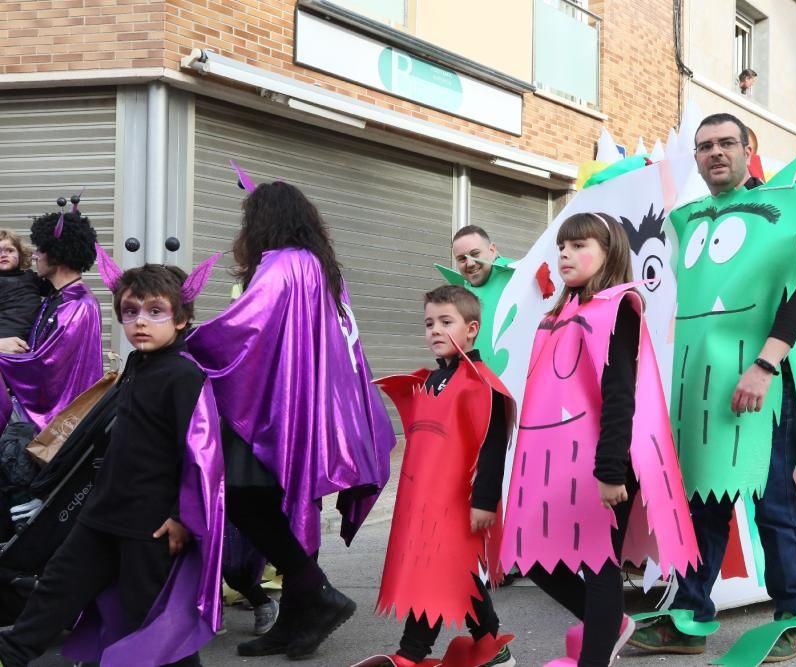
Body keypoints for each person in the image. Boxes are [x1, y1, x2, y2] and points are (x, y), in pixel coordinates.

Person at [631, 113, 796, 663]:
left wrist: (766, 365)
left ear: (749, 150)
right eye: (705, 146)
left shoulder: (782, 209)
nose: (715, 153)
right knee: (704, 498)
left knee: (772, 500)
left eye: (727, 143)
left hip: (767, 382)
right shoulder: (688, 219)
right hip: (703, 384)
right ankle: (692, 616)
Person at [185, 180, 395, 660]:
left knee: (243, 497)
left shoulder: (280, 266)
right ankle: (299, 621)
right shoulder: (322, 268)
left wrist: (190, 342)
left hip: (282, 409)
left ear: (261, 221)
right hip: (316, 407)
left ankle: (315, 595)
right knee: (288, 504)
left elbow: (246, 327)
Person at [0, 263, 224, 667]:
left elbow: (200, 455)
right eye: (131, 311)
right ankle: (11, 654)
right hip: (103, 511)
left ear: (182, 318)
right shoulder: (137, 366)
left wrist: (181, 516)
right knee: (57, 586)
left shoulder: (184, 375)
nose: (141, 322)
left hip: (149, 525)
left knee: (151, 620)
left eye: (155, 312)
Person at [501, 212, 697, 667]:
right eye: (562, 247)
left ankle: (595, 654)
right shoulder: (561, 313)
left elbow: (620, 394)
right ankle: (611, 623)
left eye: (579, 246)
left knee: (600, 562)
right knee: (532, 557)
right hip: (558, 462)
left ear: (609, 255)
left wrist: (610, 471)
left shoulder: (617, 308)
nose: (566, 254)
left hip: (606, 460)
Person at [370, 285, 515, 667]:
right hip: (427, 504)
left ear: (472, 329)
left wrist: (484, 502)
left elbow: (493, 446)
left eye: (445, 322)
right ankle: (490, 640)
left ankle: (410, 653)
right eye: (429, 323)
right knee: (454, 572)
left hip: (461, 502)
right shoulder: (431, 381)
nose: (434, 330)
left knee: (438, 572)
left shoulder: (483, 385)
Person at [0, 200, 102, 433]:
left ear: (56, 255)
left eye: (41, 250)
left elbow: (45, 367)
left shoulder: (77, 305)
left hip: (49, 427)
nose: (35, 256)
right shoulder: (55, 297)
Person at [439, 226, 516, 374]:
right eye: (462, 259)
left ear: (492, 250)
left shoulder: (520, 275)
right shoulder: (457, 293)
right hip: (475, 385)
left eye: (475, 254)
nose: (470, 263)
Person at [0, 231, 44, 341]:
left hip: (31, 340)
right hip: (4, 339)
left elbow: (57, 286)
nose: (3, 255)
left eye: (10, 250)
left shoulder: (32, 278)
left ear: (20, 255)